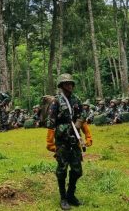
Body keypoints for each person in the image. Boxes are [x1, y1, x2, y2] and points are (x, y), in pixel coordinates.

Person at [46, 73, 92, 210]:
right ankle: (63, 198)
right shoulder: (56, 101)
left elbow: (83, 115)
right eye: (67, 84)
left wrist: (84, 130)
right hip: (62, 141)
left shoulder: (76, 99)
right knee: (62, 170)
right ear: (61, 86)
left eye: (71, 83)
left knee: (77, 170)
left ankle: (71, 194)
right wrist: (50, 142)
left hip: (74, 140)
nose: (70, 86)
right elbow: (51, 122)